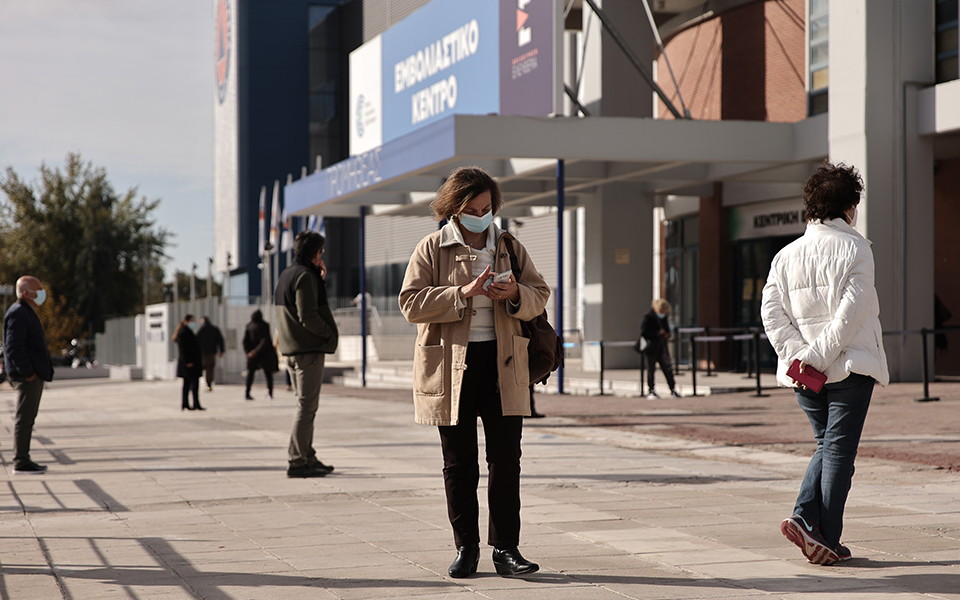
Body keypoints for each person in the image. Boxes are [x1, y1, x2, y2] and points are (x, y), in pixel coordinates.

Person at [399, 166, 549, 578]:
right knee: (459, 463)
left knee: (506, 460)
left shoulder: (509, 246)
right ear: (453, 208)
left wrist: (516, 292)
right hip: (453, 369)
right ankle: (466, 548)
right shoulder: (431, 247)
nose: (481, 216)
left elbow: (540, 294)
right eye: (472, 209)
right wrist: (462, 292)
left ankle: (506, 549)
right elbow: (410, 303)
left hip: (504, 364)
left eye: (487, 208)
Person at [761, 162, 889, 565]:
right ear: (850, 206)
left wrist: (800, 358)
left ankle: (813, 527)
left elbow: (771, 313)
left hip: (806, 378)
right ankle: (821, 532)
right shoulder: (856, 249)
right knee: (837, 454)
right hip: (849, 367)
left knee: (827, 447)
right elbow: (850, 317)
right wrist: (816, 357)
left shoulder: (784, 255)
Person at [275, 230, 339, 478]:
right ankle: (298, 460)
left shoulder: (288, 274)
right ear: (315, 253)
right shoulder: (304, 276)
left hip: (291, 350)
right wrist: (327, 335)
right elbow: (308, 315)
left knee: (304, 406)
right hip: (307, 351)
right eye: (320, 251)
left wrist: (319, 279)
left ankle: (307, 455)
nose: (322, 255)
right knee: (306, 407)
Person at [2, 276, 54, 474]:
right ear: (26, 293)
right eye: (38, 290)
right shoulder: (18, 313)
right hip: (27, 376)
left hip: (31, 374)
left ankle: (23, 457)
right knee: (24, 418)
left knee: (28, 418)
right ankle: (21, 460)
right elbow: (14, 348)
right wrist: (28, 373)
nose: (42, 293)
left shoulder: (25, 312)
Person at [638, 298, 680, 399]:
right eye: (662, 311)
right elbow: (644, 332)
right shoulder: (648, 316)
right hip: (651, 347)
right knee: (651, 369)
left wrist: (666, 334)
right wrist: (657, 333)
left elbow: (666, 328)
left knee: (667, 368)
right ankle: (651, 390)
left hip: (662, 347)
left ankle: (672, 388)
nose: (663, 314)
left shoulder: (663, 318)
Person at [242, 309, 278, 400]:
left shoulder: (249, 326)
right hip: (264, 354)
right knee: (268, 374)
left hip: (253, 354)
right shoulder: (264, 325)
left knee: (251, 373)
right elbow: (265, 340)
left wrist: (249, 352)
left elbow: (245, 341)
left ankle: (247, 393)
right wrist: (255, 351)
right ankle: (270, 392)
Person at [173, 314, 204, 411]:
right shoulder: (183, 333)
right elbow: (183, 349)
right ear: (186, 321)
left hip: (193, 361)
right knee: (191, 383)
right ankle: (189, 403)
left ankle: (190, 403)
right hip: (188, 362)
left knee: (188, 383)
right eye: (192, 321)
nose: (193, 323)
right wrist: (188, 361)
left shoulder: (189, 332)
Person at [196, 316, 225, 392]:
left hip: (203, 352)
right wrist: (222, 350)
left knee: (204, 367)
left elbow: (196, 340)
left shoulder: (201, 330)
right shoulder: (214, 329)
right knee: (210, 368)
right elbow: (220, 340)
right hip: (212, 352)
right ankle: (209, 384)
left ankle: (205, 383)